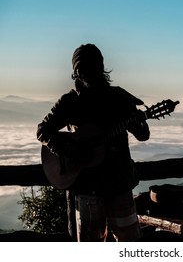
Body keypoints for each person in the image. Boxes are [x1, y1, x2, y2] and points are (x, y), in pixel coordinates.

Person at [37, 43, 150, 241]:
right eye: (80, 68)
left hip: (119, 183)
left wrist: (138, 121)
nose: (85, 72)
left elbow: (143, 135)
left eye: (91, 66)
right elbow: (43, 130)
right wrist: (70, 149)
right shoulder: (70, 102)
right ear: (75, 72)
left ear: (100, 67)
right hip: (87, 185)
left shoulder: (119, 98)